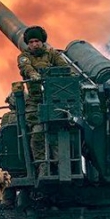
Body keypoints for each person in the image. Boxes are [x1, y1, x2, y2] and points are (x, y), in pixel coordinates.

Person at [16, 25, 69, 175]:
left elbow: (65, 69)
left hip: (55, 101)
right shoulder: (24, 56)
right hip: (35, 102)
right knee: (38, 133)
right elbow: (26, 67)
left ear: (42, 41)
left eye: (37, 41)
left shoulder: (52, 55)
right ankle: (42, 166)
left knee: (59, 133)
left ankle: (62, 167)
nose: (34, 44)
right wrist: (34, 75)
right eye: (31, 42)